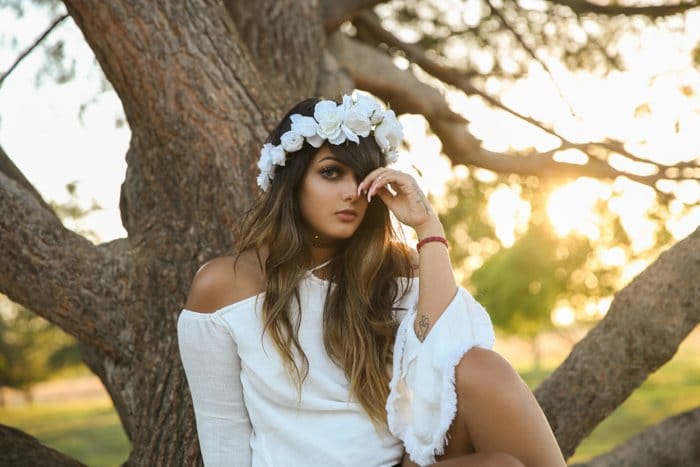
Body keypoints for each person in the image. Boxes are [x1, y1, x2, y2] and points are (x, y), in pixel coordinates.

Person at [176, 94, 566, 467]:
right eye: (331, 173)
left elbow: (445, 354)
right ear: (292, 183)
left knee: (482, 370)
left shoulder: (393, 272)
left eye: (364, 178)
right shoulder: (223, 285)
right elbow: (222, 433)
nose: (352, 193)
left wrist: (428, 226)